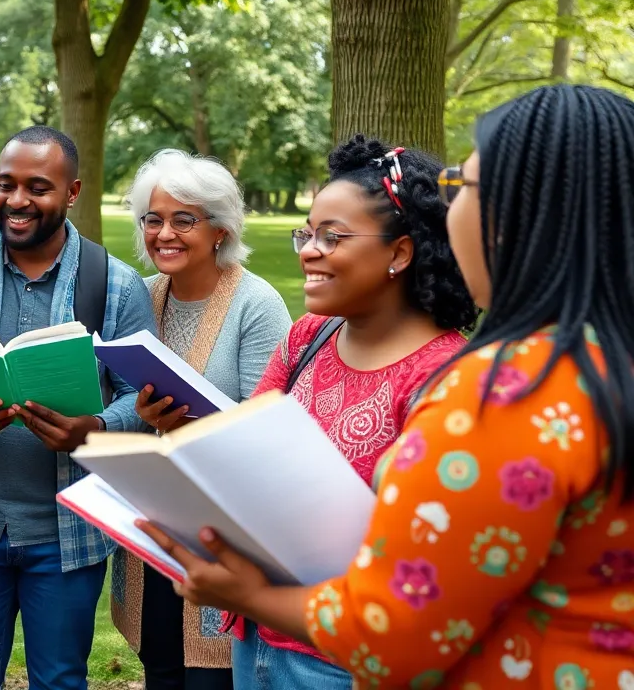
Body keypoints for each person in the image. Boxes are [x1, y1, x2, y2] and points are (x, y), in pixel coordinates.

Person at [138, 84, 634, 688]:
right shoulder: (601, 366)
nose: (450, 212)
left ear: (527, 215)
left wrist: (253, 597)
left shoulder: (507, 392)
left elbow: (395, 630)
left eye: (463, 188)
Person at [211, 136, 479, 689]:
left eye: (333, 237)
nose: (309, 249)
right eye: (307, 233)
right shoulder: (308, 336)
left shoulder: (445, 380)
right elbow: (243, 452)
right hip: (257, 635)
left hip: (342, 661)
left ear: (400, 253)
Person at [0, 126, 159, 690]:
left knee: (60, 679)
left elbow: (141, 403)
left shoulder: (116, 285)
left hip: (68, 535)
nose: (16, 201)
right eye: (5, 184)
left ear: (72, 193)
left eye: (37, 187)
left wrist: (92, 428)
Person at [111, 149, 292, 689]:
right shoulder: (141, 297)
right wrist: (136, 414)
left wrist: (186, 422)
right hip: (151, 525)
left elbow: (271, 428)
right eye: (153, 220)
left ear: (219, 229)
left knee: (209, 677)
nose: (164, 233)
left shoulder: (256, 304)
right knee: (162, 666)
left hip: (224, 530)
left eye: (183, 219)